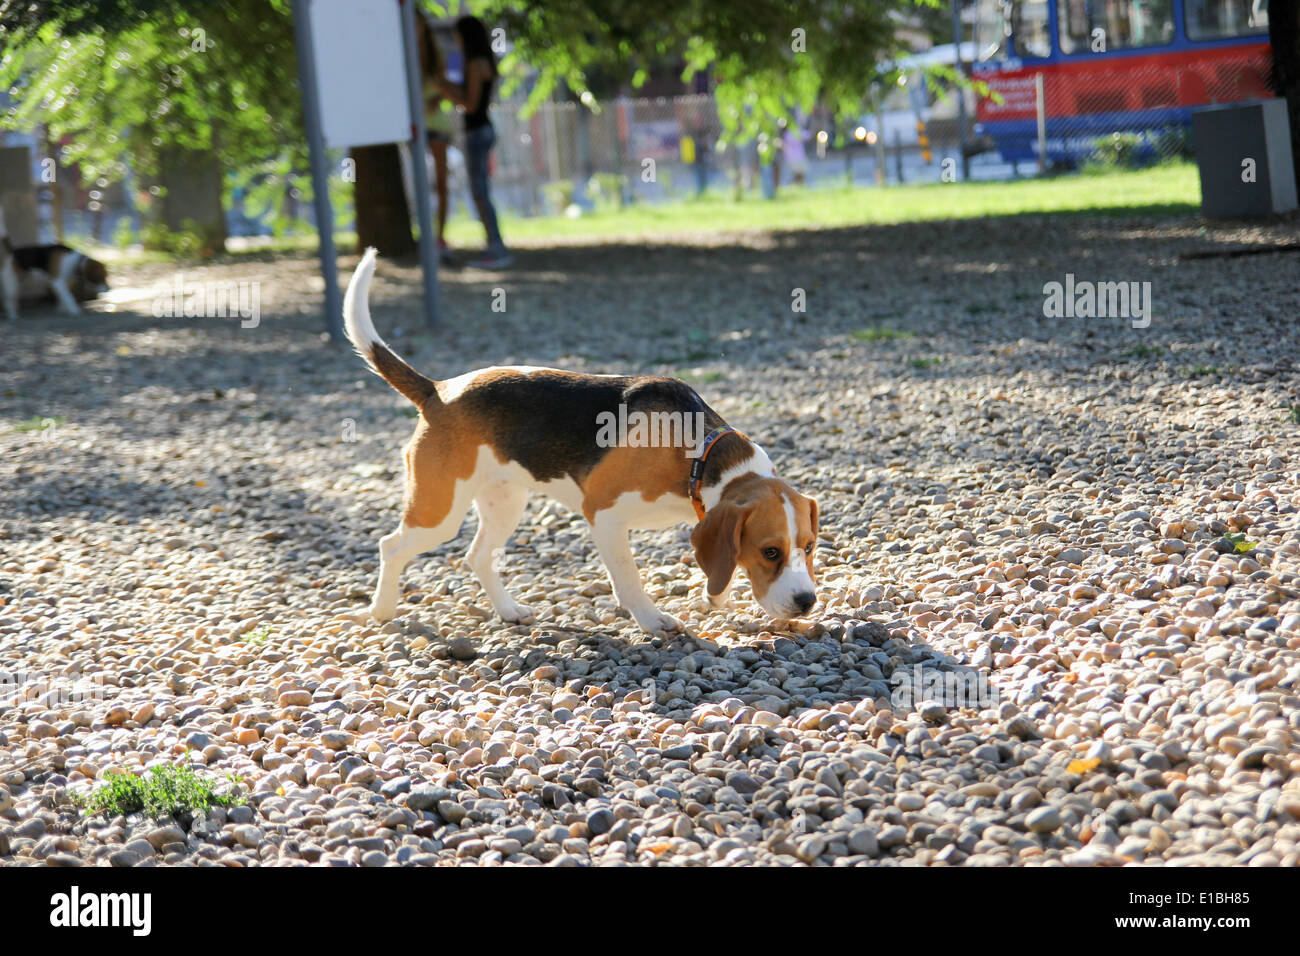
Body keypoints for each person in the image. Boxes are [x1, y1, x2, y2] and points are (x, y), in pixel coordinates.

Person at [436, 15, 511, 269]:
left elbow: (469, 103)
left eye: (457, 35)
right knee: (480, 191)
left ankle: (495, 247)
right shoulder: (483, 61)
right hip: (482, 130)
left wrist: (442, 85)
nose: (455, 41)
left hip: (477, 131)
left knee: (480, 192)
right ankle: (494, 245)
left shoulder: (475, 63)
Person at [416, 16, 456, 265]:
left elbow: (446, 88)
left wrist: (435, 101)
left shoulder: (435, 55)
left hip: (436, 126)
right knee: (419, 184)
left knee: (441, 183)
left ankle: (440, 237)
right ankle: (424, 235)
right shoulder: (402, 52)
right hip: (414, 128)